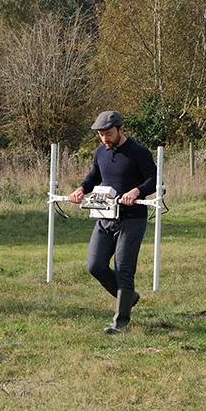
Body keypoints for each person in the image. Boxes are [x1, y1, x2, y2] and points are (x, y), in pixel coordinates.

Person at [69, 111, 157, 334]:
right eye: (101, 135)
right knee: (95, 265)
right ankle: (129, 297)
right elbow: (93, 176)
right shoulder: (100, 152)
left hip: (132, 218)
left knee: (124, 268)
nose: (105, 139)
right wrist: (80, 189)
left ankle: (121, 322)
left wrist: (136, 190)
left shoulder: (139, 153)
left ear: (121, 130)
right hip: (105, 217)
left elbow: (154, 181)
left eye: (108, 134)